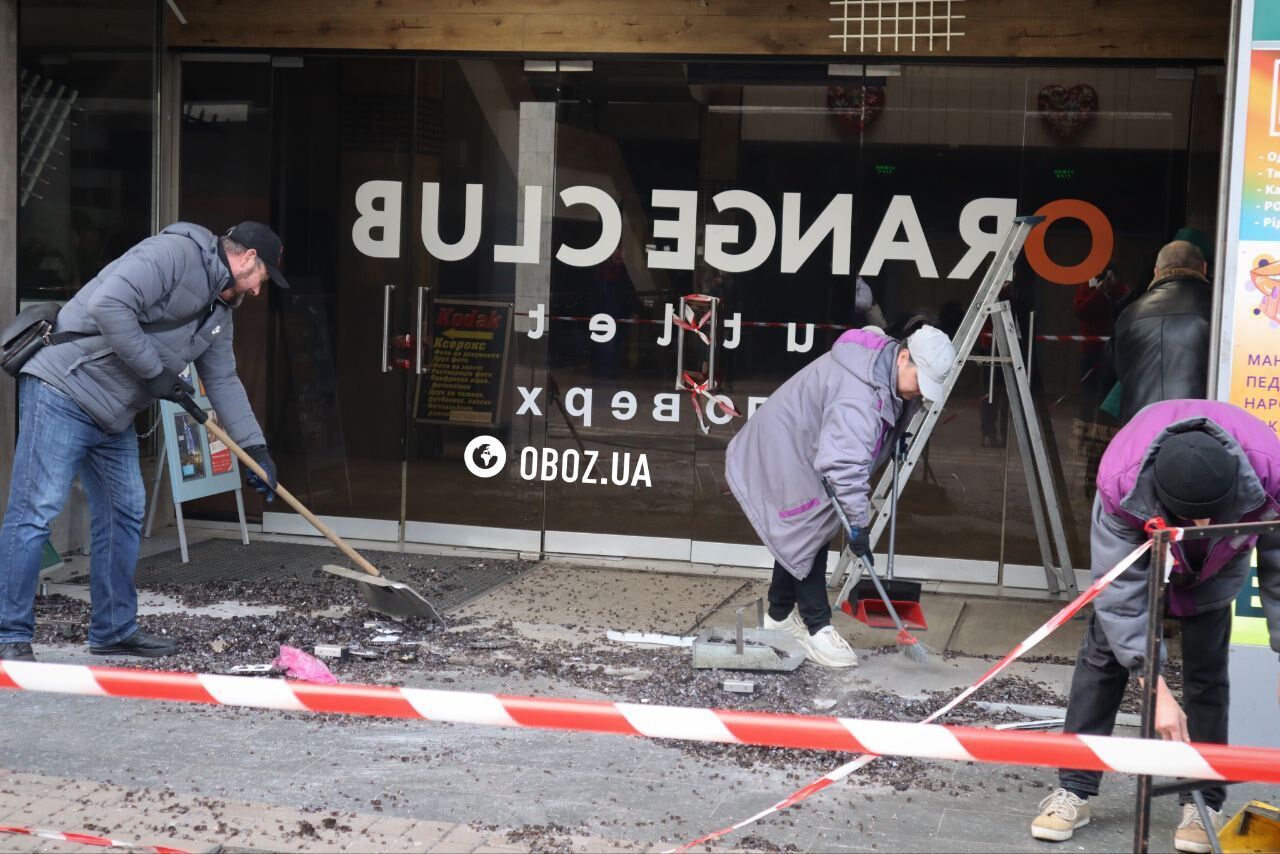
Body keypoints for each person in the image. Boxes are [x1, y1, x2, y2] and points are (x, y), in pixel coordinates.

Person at [0, 222, 288, 662]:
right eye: (259, 279)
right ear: (247, 258)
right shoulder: (173, 254)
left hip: (114, 415)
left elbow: (224, 379)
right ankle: (9, 635)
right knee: (35, 512)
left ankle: (113, 629)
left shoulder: (220, 314)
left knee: (123, 513)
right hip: (64, 390)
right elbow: (108, 304)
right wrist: (155, 371)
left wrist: (256, 450)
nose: (256, 291)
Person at [1030, 399, 1280, 853]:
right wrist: (1156, 689)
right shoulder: (1122, 482)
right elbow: (1122, 600)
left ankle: (1203, 799)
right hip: (1145, 549)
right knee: (1103, 658)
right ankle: (1074, 788)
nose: (1202, 523)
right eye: (1193, 515)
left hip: (1218, 562)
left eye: (1212, 512)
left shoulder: (1271, 472)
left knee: (1207, 672)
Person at [725, 325, 957, 667]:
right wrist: (858, 526)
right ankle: (818, 626)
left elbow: (873, 423)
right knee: (809, 529)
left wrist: (891, 436)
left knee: (800, 532)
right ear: (904, 357)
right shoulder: (857, 395)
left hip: (801, 445)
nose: (921, 391)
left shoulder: (883, 366)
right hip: (784, 450)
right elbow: (845, 464)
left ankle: (777, 616)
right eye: (921, 381)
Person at [1111, 240, 1212, 424]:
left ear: (1156, 272)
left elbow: (1119, 370)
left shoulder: (1130, 314)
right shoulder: (1220, 311)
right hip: (1200, 430)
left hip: (1141, 429)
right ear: (1204, 268)